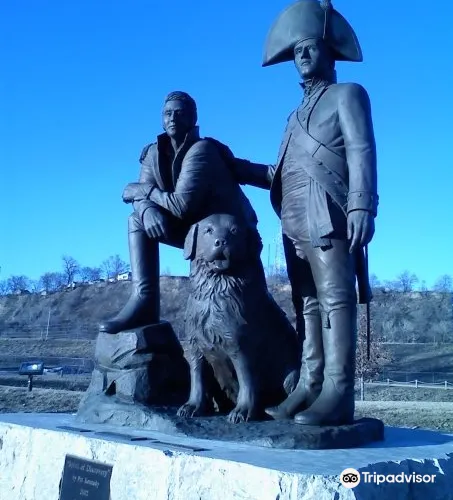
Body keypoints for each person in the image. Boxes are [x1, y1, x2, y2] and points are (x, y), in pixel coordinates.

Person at [258, 0, 379, 426]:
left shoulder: (348, 94)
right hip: (292, 218)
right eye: (297, 51)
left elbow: (362, 149)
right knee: (307, 303)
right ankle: (310, 384)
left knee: (336, 299)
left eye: (310, 47)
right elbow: (278, 172)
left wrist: (362, 204)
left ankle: (338, 392)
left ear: (329, 52)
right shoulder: (293, 118)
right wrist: (229, 163)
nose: (303, 55)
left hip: (327, 212)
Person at [99, 91, 271, 335]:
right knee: (137, 220)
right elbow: (140, 198)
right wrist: (147, 210)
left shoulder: (202, 150)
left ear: (192, 118)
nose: (172, 118)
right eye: (167, 113)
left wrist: (145, 191)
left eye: (180, 113)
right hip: (195, 230)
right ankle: (143, 301)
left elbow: (181, 205)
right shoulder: (153, 153)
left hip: (227, 234)